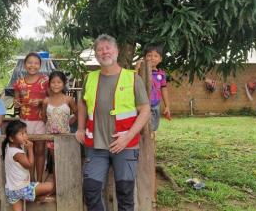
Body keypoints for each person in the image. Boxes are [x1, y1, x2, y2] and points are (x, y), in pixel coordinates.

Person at [76, 34, 150, 211]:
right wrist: (80, 128)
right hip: (96, 144)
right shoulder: (90, 78)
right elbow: (83, 104)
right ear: (96, 54)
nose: (104, 52)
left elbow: (145, 110)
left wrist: (128, 136)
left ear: (116, 51)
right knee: (91, 190)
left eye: (108, 48)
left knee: (125, 192)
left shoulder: (133, 79)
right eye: (99, 49)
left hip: (125, 145)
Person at [2, 120, 54, 211]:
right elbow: (29, 165)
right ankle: (39, 198)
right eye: (21, 134)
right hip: (22, 189)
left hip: (11, 190)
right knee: (52, 186)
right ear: (11, 138)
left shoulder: (9, 147)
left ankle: (36, 196)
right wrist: (30, 149)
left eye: (25, 132)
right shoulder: (17, 153)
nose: (25, 135)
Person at [13, 53, 48, 182]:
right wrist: (16, 103)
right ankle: (30, 180)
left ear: (40, 65)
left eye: (36, 63)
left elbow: (51, 99)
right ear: (24, 64)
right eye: (29, 62)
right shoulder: (19, 82)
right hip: (24, 122)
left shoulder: (45, 81)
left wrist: (41, 101)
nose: (32, 65)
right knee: (27, 151)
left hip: (40, 121)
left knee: (39, 151)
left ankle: (39, 181)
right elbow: (16, 101)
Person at [41, 71, 77, 189]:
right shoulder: (46, 101)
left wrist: (68, 122)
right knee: (56, 161)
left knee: (65, 160)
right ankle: (57, 188)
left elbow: (77, 114)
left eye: (59, 82)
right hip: (50, 137)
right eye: (53, 82)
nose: (56, 85)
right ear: (49, 84)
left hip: (66, 136)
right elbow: (43, 117)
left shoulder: (69, 99)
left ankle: (67, 186)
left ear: (64, 83)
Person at [135, 45, 170, 131]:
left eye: (155, 56)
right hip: (141, 104)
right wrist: (136, 68)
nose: (152, 58)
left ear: (160, 59)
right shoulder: (140, 72)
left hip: (155, 104)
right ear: (144, 57)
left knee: (153, 127)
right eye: (149, 55)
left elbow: (164, 89)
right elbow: (133, 82)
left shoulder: (161, 74)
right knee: (140, 127)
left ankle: (150, 139)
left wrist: (167, 106)